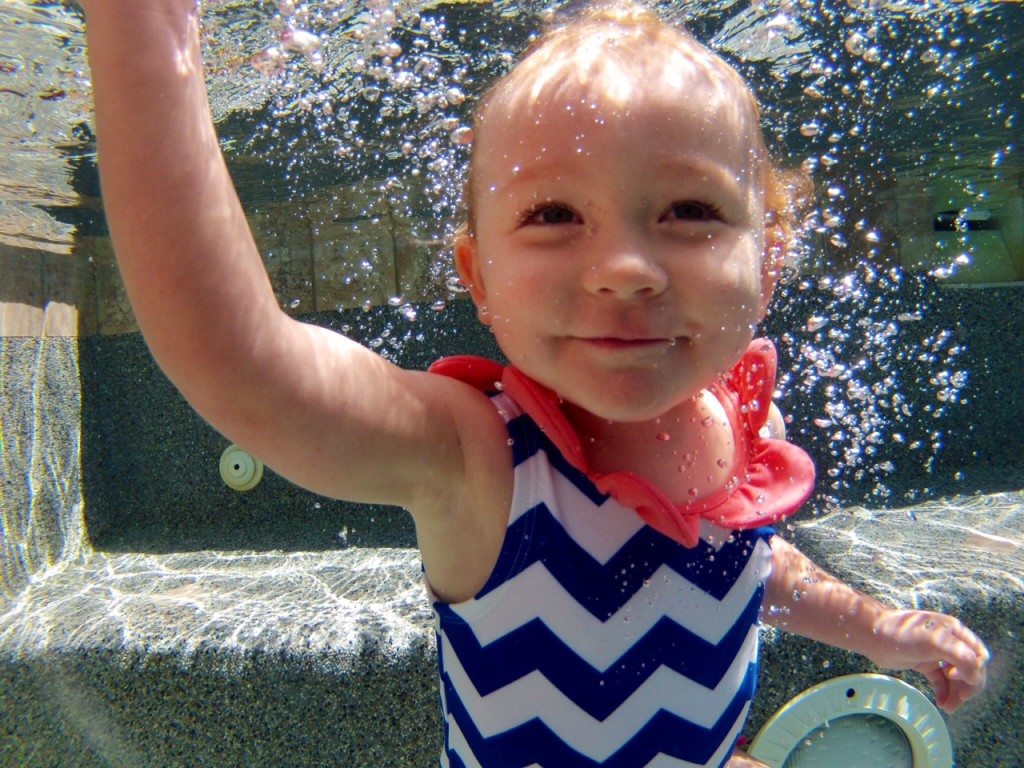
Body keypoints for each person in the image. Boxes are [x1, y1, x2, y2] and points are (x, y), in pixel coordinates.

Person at [79, 1, 989, 766]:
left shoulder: (736, 423)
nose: (627, 266)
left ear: (771, 259)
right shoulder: (478, 459)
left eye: (691, 211)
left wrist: (879, 630)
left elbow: (743, 570)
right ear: (477, 279)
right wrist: (144, 34)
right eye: (554, 214)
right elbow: (243, 364)